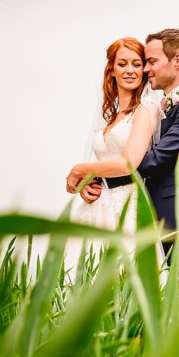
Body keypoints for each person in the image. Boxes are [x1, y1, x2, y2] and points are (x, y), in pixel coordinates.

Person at [69, 28, 179, 263]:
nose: (145, 69)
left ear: (177, 61)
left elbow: (154, 158)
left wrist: (94, 176)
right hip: (151, 214)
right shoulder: (162, 108)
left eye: (150, 62)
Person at [66, 37, 160, 231]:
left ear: (143, 70)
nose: (130, 70)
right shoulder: (111, 119)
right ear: (112, 70)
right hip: (96, 205)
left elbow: (127, 164)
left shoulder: (146, 110)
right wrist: (87, 183)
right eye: (122, 64)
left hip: (126, 203)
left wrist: (79, 170)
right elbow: (105, 162)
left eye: (136, 64)